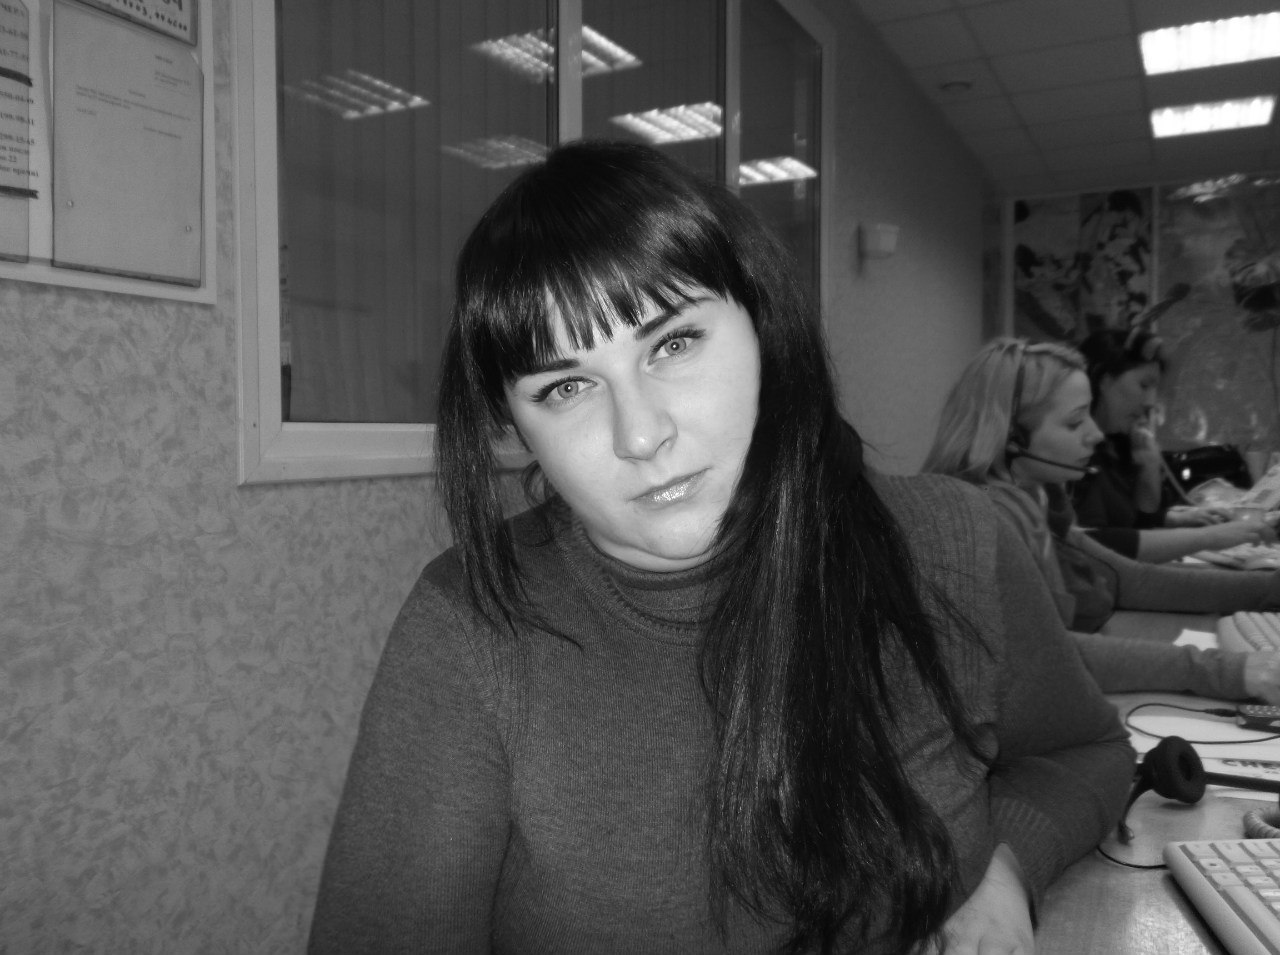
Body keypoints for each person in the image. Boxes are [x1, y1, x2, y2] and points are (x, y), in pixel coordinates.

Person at [307, 141, 1133, 955]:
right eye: (566, 386)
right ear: (515, 427)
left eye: (672, 344)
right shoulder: (468, 624)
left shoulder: (950, 539)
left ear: (763, 327)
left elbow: (1083, 749)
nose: (640, 434)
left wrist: (1006, 869)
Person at [924, 336, 1280, 703]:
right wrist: (1231, 671)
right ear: (1012, 437)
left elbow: (1129, 579)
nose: (1094, 434)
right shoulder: (978, 522)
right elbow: (1040, 653)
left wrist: (1269, 589)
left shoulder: (1036, 501)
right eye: (1075, 422)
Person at [1072, 327, 1273, 562]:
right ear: (1104, 381)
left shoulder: (1114, 446)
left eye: (1155, 389)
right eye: (1144, 385)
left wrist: (1151, 474)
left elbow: (1138, 522)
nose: (1150, 401)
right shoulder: (1078, 453)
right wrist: (1210, 537)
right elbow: (1093, 543)